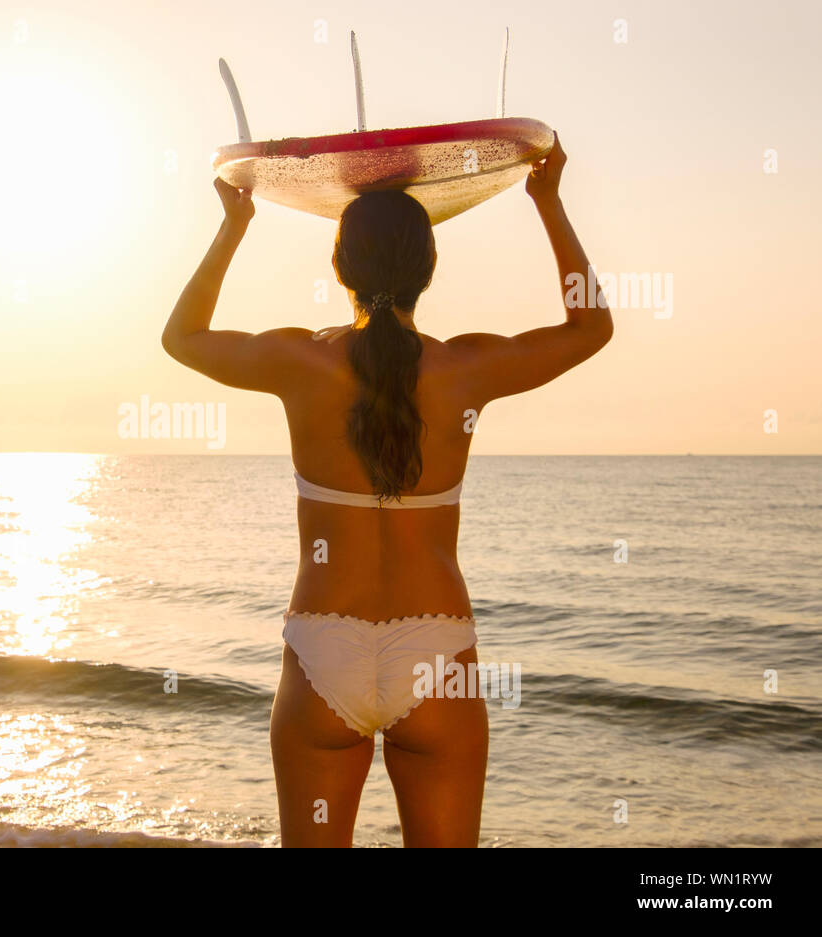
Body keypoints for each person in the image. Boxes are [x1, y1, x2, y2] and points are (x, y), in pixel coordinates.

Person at [161, 134, 612, 846]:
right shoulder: (467, 368)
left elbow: (182, 336)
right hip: (437, 655)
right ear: (428, 268)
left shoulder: (297, 360)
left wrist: (234, 224)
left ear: (338, 263)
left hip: (320, 656)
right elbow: (592, 327)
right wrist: (548, 203)